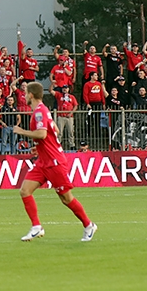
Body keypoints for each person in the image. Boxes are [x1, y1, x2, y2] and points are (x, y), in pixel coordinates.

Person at [13, 82, 97, 242]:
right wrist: (39, 148)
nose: (24, 96)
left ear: (31, 95)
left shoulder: (39, 112)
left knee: (66, 199)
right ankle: (36, 227)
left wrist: (22, 131)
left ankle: (88, 225)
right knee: (25, 191)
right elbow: (55, 132)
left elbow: (42, 134)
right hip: (43, 161)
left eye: (25, 94)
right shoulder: (43, 111)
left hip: (54, 162)